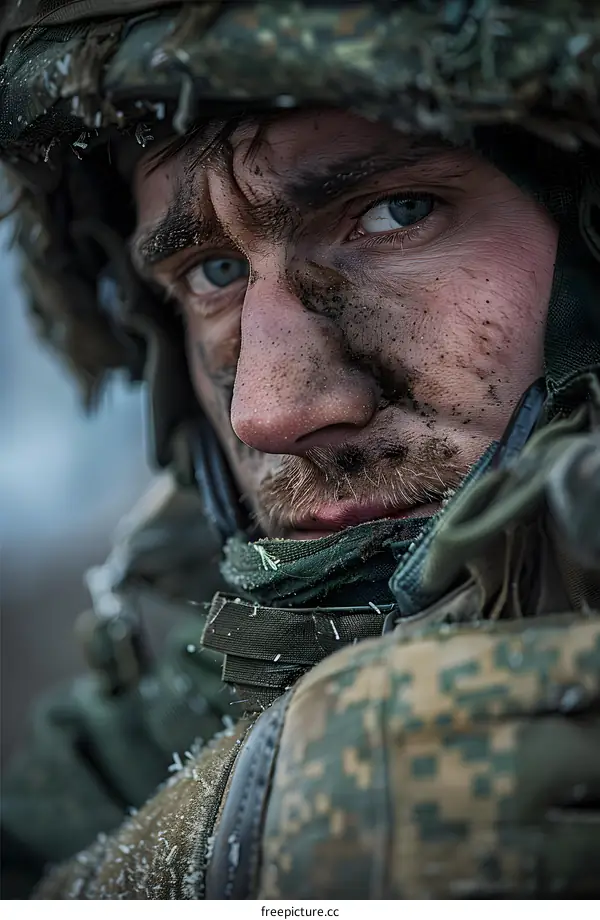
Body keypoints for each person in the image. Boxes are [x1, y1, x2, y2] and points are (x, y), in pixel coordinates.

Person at [1, 0, 600, 900]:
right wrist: (220, 851)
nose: (271, 409)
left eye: (398, 213)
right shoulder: (150, 729)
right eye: (214, 273)